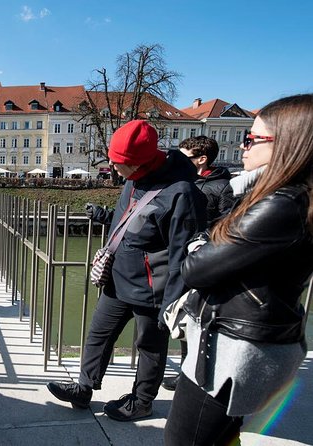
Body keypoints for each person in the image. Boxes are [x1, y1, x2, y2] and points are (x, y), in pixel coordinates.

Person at [164, 94, 313, 445]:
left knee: (185, 439)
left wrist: (200, 240)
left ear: (287, 145)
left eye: (252, 139)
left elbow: (195, 268)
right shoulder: (287, 198)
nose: (242, 148)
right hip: (244, 340)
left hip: (231, 350)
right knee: (220, 435)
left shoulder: (280, 204)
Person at [47, 120, 207, 421]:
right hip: (119, 279)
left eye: (119, 162)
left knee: (150, 346)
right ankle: (84, 387)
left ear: (140, 162)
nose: (112, 165)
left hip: (153, 288)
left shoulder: (181, 194)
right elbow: (132, 223)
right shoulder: (133, 178)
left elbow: (182, 256)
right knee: (98, 333)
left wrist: (171, 303)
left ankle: (142, 401)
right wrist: (105, 216)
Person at [162, 135, 235, 391]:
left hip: (203, 263)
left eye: (185, 157)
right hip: (180, 261)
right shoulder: (179, 183)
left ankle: (194, 376)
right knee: (181, 320)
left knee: (199, 321)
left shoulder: (223, 187)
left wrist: (205, 238)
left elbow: (227, 225)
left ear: (201, 159)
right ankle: (186, 372)